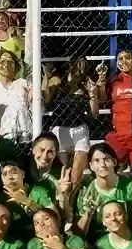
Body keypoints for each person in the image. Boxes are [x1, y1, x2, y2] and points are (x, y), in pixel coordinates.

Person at [75, 143, 132, 243]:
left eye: (106, 159)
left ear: (114, 162)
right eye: (97, 161)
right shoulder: (86, 193)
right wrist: (88, 215)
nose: (102, 165)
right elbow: (78, 236)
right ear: (91, 166)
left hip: (130, 241)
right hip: (99, 246)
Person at [43, 56, 101, 187]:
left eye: (84, 67)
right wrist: (47, 80)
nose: (80, 70)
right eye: (78, 66)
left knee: (75, 176)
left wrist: (93, 95)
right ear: (71, 66)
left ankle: (72, 202)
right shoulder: (58, 82)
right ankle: (62, 202)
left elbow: (94, 114)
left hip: (80, 129)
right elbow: (47, 102)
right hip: (60, 129)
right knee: (63, 173)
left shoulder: (88, 85)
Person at [0, 161, 55, 240]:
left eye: (13, 172)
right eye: (5, 174)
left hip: (39, 238)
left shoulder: (37, 192)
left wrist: (26, 201)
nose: (9, 177)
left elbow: (54, 217)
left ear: (23, 174)